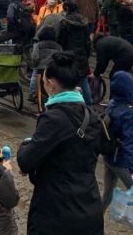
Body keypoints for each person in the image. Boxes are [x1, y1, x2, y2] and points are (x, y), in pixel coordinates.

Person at [16, 52, 104, 235]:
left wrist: (26, 144)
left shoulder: (53, 119)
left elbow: (26, 161)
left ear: (51, 83)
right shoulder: (92, 116)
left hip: (56, 214)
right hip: (89, 209)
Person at [101, 71, 133, 210]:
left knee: (107, 194)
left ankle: (94, 220)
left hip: (109, 156)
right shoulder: (129, 114)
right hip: (120, 160)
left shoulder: (111, 105)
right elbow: (128, 144)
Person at [57, 0, 93, 104]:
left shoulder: (65, 23)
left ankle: (72, 102)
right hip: (82, 53)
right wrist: (86, 54)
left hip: (69, 54)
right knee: (83, 80)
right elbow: (87, 41)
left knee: (68, 80)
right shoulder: (83, 21)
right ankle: (88, 103)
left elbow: (61, 40)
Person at [28, 26, 61, 104]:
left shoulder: (38, 45)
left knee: (40, 88)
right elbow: (60, 57)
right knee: (51, 87)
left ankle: (37, 103)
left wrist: (35, 65)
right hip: (53, 69)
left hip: (41, 69)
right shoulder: (58, 46)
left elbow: (35, 57)